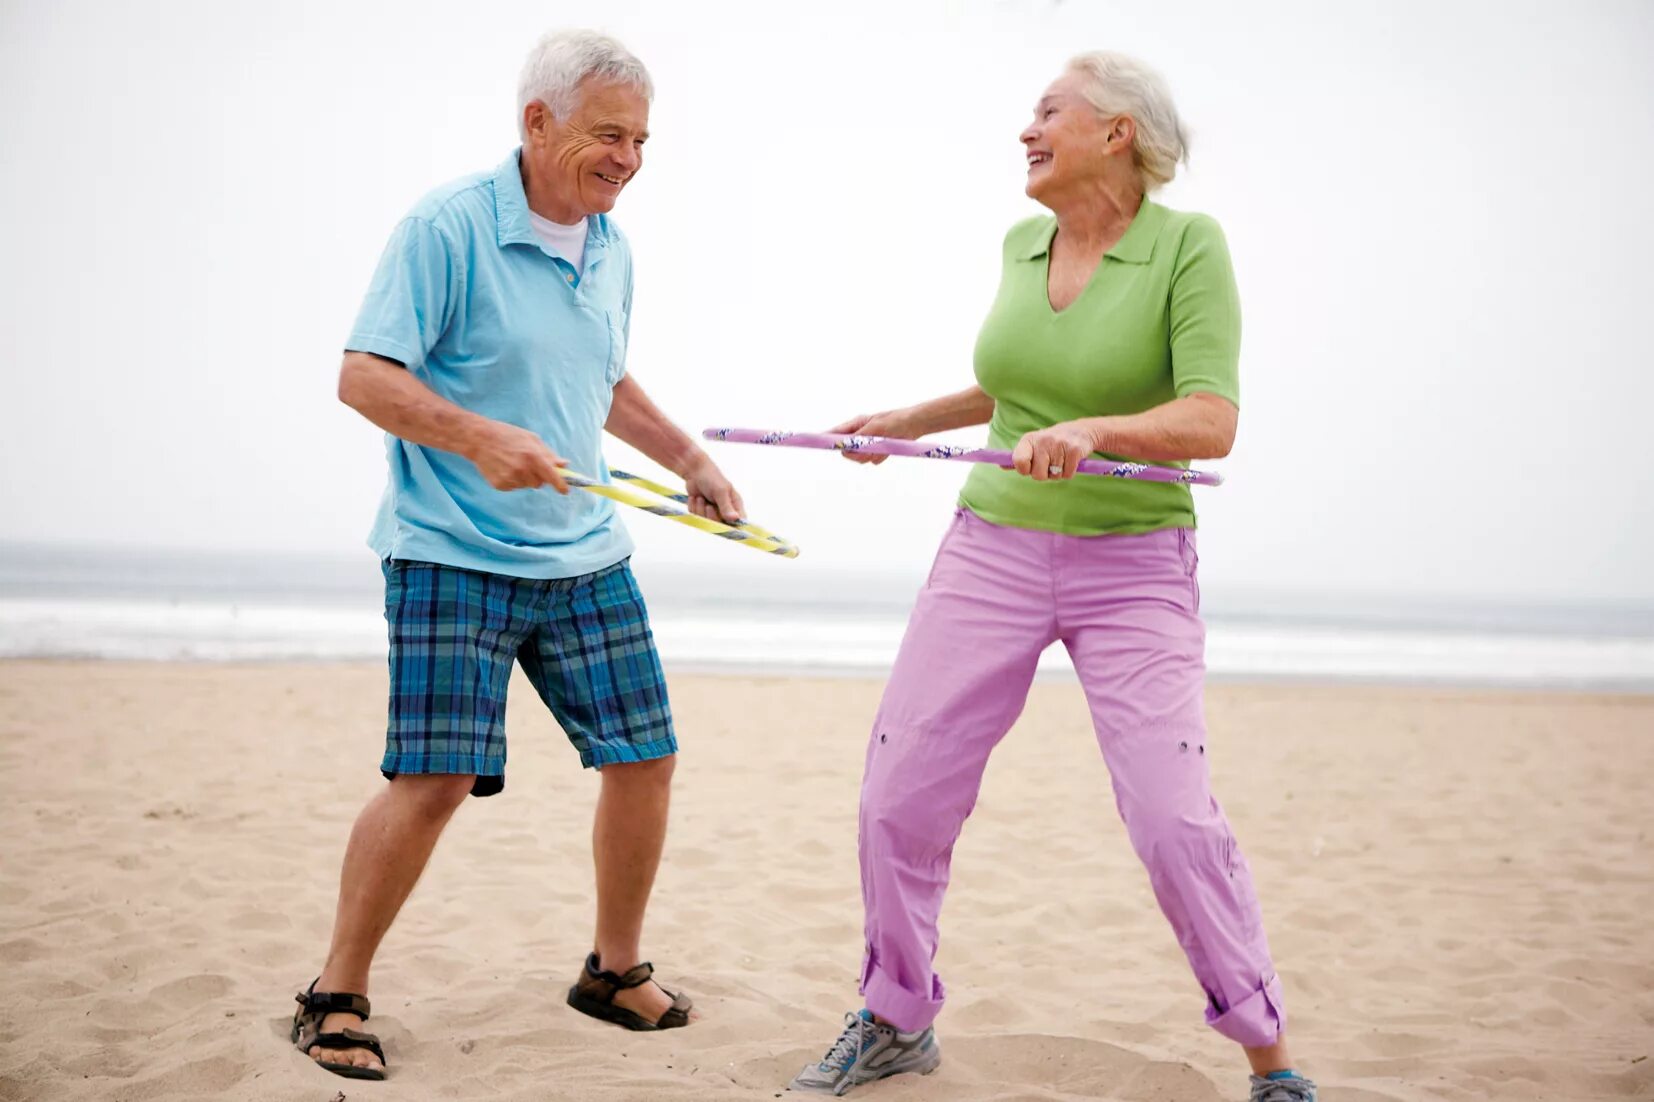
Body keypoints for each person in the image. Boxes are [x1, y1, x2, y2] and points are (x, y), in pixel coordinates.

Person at [790, 52, 1315, 1102]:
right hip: (991, 548)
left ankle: (1269, 1059)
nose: (1025, 131)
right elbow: (1010, 388)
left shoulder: (1186, 247)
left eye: (1046, 113)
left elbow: (1211, 418)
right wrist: (899, 422)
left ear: (1117, 132)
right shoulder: (1022, 241)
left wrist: (1098, 430)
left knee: (1172, 819)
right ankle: (895, 1018)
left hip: (1134, 567)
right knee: (896, 796)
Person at [288, 29, 742, 1081]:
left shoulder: (611, 245)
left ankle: (611, 970)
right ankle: (336, 991)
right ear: (535, 122)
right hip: (450, 551)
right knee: (435, 779)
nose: (627, 157)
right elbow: (363, 376)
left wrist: (687, 459)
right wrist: (481, 437)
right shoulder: (445, 227)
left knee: (645, 756)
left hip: (583, 552)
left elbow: (604, 380)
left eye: (639, 138)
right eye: (606, 134)